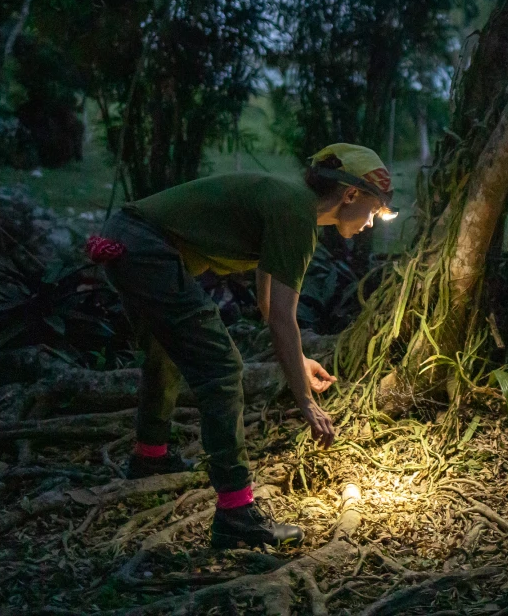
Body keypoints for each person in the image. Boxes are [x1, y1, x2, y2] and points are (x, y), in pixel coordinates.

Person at [87, 143, 397, 548]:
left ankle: (150, 456)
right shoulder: (296, 213)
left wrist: (298, 361)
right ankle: (236, 512)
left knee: (166, 350)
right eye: (373, 210)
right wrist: (305, 402)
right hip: (145, 247)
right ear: (350, 194)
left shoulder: (291, 204)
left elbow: (270, 306)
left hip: (129, 237)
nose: (371, 223)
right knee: (222, 367)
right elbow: (283, 318)